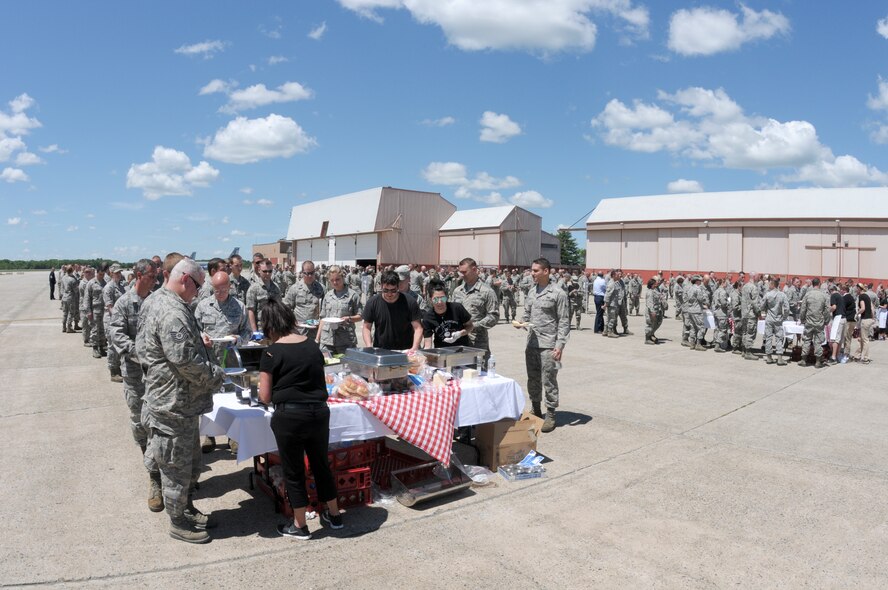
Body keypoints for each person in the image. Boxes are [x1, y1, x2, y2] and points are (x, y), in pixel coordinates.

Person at [137, 258, 224, 544]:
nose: (199, 293)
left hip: (178, 402)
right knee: (176, 469)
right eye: (198, 286)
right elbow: (185, 361)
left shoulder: (160, 302)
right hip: (173, 405)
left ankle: (185, 509)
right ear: (186, 279)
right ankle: (177, 522)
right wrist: (216, 375)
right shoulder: (172, 311)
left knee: (189, 465)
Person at [258, 297, 342, 539]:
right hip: (318, 412)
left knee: (294, 471)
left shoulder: (271, 352)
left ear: (270, 326)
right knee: (320, 465)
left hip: (290, 416)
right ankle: (334, 515)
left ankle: (299, 524)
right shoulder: (312, 346)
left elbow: (264, 396)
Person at [108, 258, 164, 512]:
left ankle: (164, 474)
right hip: (134, 373)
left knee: (160, 421)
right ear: (140, 276)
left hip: (157, 373)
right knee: (140, 423)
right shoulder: (123, 303)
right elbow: (116, 334)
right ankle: (153, 477)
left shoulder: (156, 301)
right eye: (152, 276)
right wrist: (139, 352)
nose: (156, 280)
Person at [518, 257, 570, 434]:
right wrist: (521, 323)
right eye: (532, 270)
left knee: (549, 380)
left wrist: (560, 345)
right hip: (532, 343)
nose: (532, 273)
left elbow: (564, 321)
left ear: (546, 271)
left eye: (535, 271)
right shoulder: (532, 292)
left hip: (549, 345)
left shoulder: (558, 293)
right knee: (532, 378)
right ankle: (536, 409)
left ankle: (551, 414)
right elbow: (527, 314)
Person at [452, 258, 499, 366]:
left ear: (474, 270)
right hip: (459, 341)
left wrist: (474, 326)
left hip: (477, 343)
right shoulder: (457, 291)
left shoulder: (487, 291)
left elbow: (494, 316)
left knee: (479, 376)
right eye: (460, 272)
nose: (462, 275)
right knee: (458, 376)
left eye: (464, 272)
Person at [362, 270, 423, 352]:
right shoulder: (373, 302)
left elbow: (418, 328)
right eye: (386, 290)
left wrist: (414, 348)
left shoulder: (409, 302)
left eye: (393, 290)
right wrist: (369, 346)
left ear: (398, 287)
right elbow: (366, 327)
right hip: (380, 350)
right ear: (381, 286)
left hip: (405, 351)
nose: (389, 294)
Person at [316, 265, 362, 354]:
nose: (335, 282)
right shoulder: (328, 296)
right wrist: (317, 338)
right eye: (332, 280)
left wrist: (348, 318)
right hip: (327, 340)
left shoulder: (353, 295)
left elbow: (360, 316)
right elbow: (323, 318)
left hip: (346, 340)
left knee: (345, 367)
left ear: (343, 278)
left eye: (337, 279)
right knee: (327, 366)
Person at [421, 280, 473, 348]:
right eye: (436, 299)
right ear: (431, 300)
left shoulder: (457, 308)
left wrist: (460, 334)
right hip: (442, 350)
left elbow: (470, 326)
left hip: (462, 348)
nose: (440, 302)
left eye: (443, 298)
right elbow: (428, 341)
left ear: (447, 297)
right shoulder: (428, 317)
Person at [284, 260, 325, 340]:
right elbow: (286, 308)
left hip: (315, 331)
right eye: (307, 273)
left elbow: (325, 309)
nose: (309, 276)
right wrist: (292, 322)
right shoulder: (294, 288)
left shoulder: (321, 288)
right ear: (302, 273)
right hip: (298, 331)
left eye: (312, 273)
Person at [798, 277, 830, 368]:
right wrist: (826, 321)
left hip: (809, 321)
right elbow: (827, 310)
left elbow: (803, 309)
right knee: (818, 341)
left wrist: (802, 319)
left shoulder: (808, 295)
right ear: (819, 284)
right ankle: (818, 362)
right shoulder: (824, 295)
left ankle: (803, 360)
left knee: (806, 340)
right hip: (819, 322)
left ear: (812, 284)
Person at [103, 264, 127, 381]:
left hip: (119, 320)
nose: (119, 274)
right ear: (111, 273)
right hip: (111, 320)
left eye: (120, 272)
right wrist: (119, 317)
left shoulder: (120, 286)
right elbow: (110, 307)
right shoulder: (109, 288)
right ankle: (113, 371)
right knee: (112, 346)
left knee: (118, 345)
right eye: (116, 273)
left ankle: (118, 368)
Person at [246, 259, 282, 334]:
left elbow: (279, 308)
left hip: (275, 328)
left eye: (270, 271)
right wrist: (254, 331)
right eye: (265, 271)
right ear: (259, 270)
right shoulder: (253, 289)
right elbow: (250, 311)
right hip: (260, 328)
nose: (268, 274)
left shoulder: (276, 287)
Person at [762, 277, 789, 365]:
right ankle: (780, 358)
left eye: (770, 284)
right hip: (778, 319)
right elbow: (787, 308)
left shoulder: (767, 295)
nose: (769, 285)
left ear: (773, 285)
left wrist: (766, 311)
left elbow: (762, 306)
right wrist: (784, 317)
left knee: (768, 337)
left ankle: (769, 357)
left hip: (769, 318)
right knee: (779, 338)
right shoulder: (782, 295)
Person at [852, 283, 874, 363]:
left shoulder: (861, 296)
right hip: (868, 319)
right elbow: (872, 308)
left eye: (856, 288)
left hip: (864, 320)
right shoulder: (867, 296)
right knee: (861, 339)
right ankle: (857, 356)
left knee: (864, 340)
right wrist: (873, 318)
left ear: (859, 289)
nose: (855, 290)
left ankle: (866, 358)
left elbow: (863, 308)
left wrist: (857, 313)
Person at [644, 277, 667, 344]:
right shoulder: (649, 292)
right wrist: (652, 311)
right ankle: (647, 338)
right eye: (655, 284)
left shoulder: (654, 290)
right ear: (652, 285)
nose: (656, 285)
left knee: (655, 324)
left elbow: (659, 295)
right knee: (650, 325)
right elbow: (650, 303)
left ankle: (651, 335)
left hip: (656, 310)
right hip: (651, 312)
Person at [60, 266, 80, 333]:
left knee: (65, 312)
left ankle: (63, 327)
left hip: (64, 297)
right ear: (71, 271)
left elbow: (61, 288)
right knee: (71, 313)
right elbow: (76, 290)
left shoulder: (63, 278)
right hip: (71, 297)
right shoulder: (72, 280)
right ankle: (69, 327)